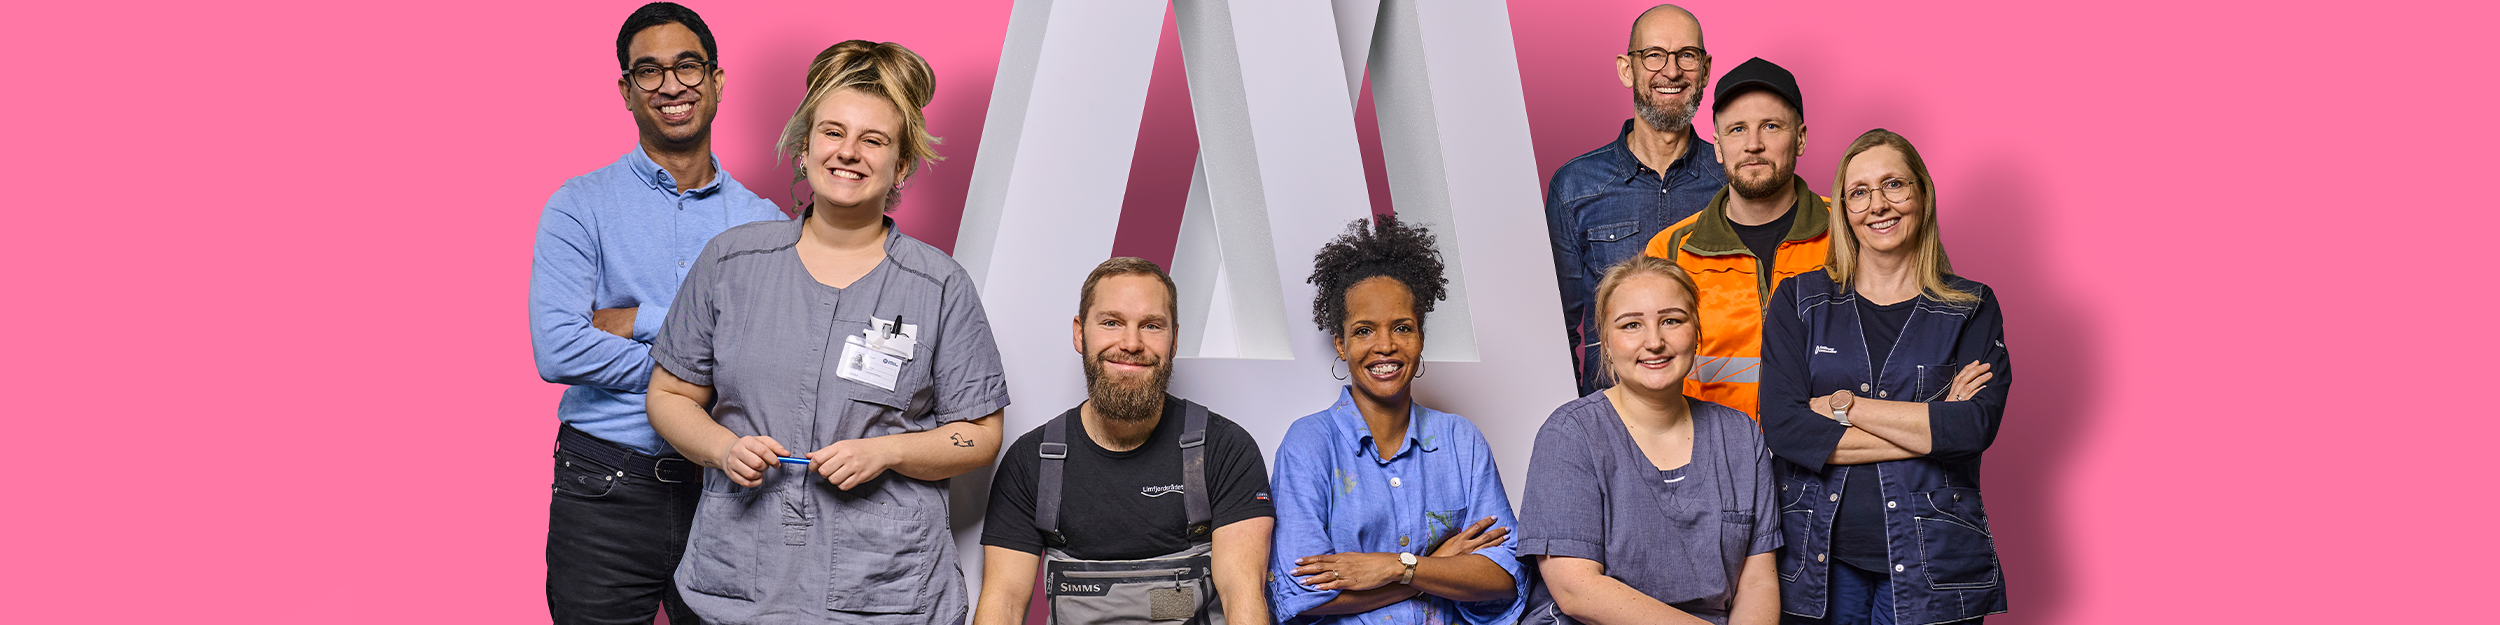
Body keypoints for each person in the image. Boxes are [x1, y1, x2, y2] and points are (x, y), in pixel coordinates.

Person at [645, 40, 1008, 625]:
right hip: (742, 572)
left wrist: (887, 452)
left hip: (884, 589)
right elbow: (668, 396)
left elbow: (980, 436)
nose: (848, 152)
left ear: (902, 165)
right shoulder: (730, 262)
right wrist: (723, 448)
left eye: (874, 140)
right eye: (833, 132)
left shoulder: (939, 285)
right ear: (805, 147)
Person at [529, 3, 785, 623]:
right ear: (626, 90)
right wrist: (704, 365)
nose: (671, 86)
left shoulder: (768, 226)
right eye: (649, 71)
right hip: (603, 486)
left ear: (716, 81)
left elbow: (771, 359)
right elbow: (558, 348)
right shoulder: (578, 206)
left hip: (729, 489)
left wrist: (636, 319)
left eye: (687, 67)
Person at [1759, 129, 2011, 624]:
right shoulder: (1799, 302)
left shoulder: (1971, 307)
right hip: (1819, 563)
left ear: (1922, 194)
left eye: (1893, 184)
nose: (1877, 205)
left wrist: (1845, 407)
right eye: (1859, 192)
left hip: (1936, 566)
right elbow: (1786, 429)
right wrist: (1932, 427)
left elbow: (1972, 427)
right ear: (1844, 210)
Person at [974, 258, 1276, 625]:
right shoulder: (1031, 462)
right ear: (1079, 333)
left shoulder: (1226, 450)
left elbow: (1242, 597)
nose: (1131, 344)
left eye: (1151, 326)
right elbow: (1003, 603)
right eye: (1111, 322)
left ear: (1174, 340)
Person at [1266, 216, 1527, 625]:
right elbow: (1303, 594)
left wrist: (1395, 566)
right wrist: (1435, 567)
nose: (1385, 346)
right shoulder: (1308, 444)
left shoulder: (1461, 440)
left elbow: (1504, 578)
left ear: (1420, 338)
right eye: (1364, 331)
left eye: (1402, 328)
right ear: (1341, 345)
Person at [1518, 255, 1780, 625]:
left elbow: (1757, 583)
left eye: (1672, 320)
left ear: (1696, 331)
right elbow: (1576, 590)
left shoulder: (1740, 436)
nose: (1654, 341)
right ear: (1606, 343)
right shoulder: (1570, 435)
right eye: (1631, 325)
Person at [1545, 4, 1727, 397]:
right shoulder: (1574, 187)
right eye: (1654, 55)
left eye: (1686, 55)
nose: (1672, 71)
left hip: (1713, 410)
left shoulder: (1732, 181)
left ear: (1705, 69)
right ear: (1627, 69)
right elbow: (1556, 330)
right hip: (1608, 417)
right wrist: (1579, 417)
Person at [1639, 57, 1829, 419]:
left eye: (1771, 126)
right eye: (1737, 129)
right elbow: (1648, 375)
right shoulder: (1670, 250)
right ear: (1717, 146)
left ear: (1801, 138)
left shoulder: (1850, 232)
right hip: (1711, 450)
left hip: (1830, 448)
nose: (1753, 144)